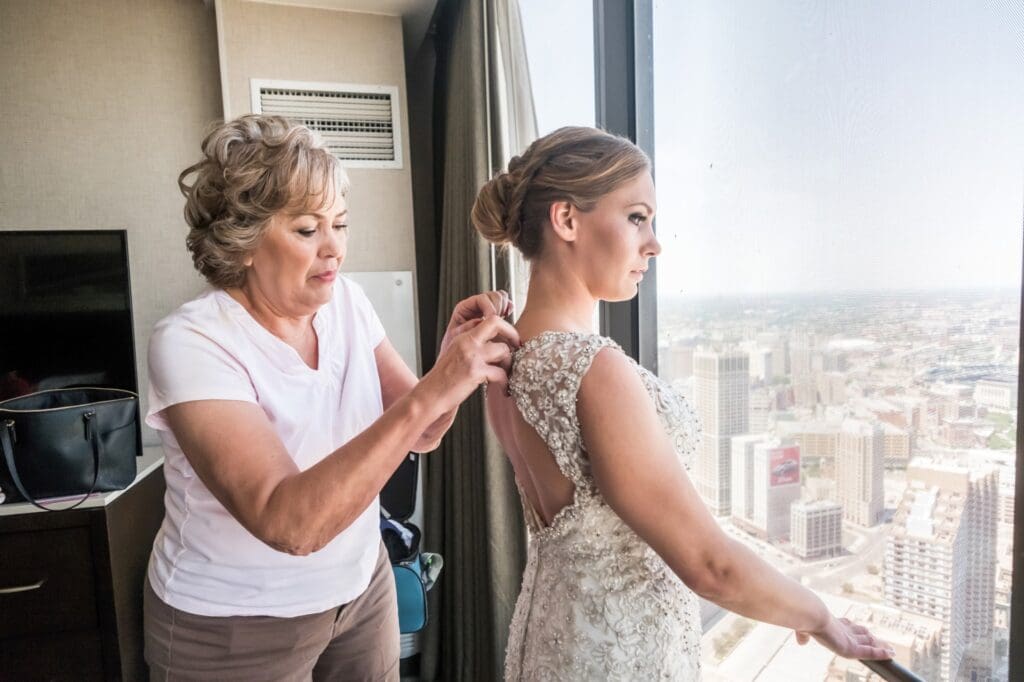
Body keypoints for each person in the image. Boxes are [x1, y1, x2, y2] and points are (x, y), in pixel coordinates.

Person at [473, 126, 895, 680]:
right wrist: (821, 618)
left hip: (556, 638)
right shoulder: (594, 370)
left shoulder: (504, 354)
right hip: (618, 658)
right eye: (637, 217)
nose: (654, 243)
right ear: (567, 220)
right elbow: (710, 565)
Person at [143, 114, 519, 681]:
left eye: (339, 224)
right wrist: (438, 385)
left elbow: (418, 432)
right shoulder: (192, 341)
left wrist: (449, 369)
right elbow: (289, 523)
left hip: (360, 590)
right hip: (234, 626)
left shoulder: (347, 301)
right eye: (306, 229)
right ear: (242, 241)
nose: (334, 249)